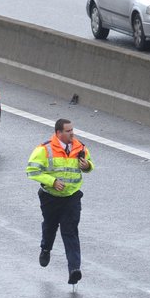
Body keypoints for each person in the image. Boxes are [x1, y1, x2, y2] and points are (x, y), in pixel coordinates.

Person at [26, 118, 95, 285]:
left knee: (70, 231)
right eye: (68, 131)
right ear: (58, 133)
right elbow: (31, 171)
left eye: (72, 130)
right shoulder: (44, 149)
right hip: (50, 197)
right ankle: (46, 248)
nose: (72, 133)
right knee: (50, 226)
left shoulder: (80, 147)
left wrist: (87, 166)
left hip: (71, 197)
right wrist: (52, 181)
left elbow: (89, 165)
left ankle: (74, 269)